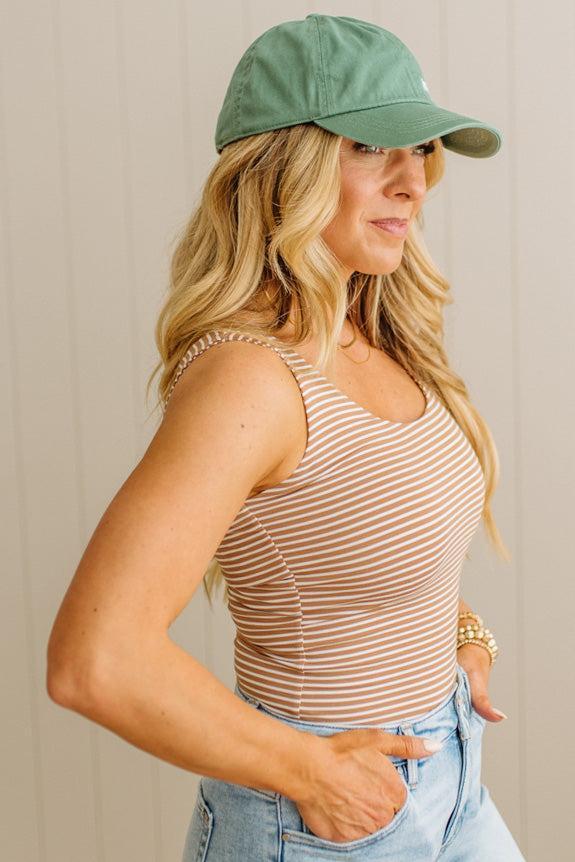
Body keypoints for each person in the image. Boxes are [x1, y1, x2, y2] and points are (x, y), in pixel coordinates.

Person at [46, 13, 525, 861]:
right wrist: (311, 774)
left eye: (421, 151)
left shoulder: (376, 335)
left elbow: (358, 536)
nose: (414, 183)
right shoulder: (247, 379)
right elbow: (96, 657)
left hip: (451, 783)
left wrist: (454, 632)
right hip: (327, 821)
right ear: (280, 169)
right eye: (372, 149)